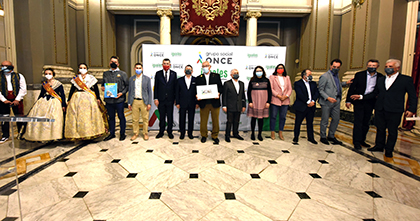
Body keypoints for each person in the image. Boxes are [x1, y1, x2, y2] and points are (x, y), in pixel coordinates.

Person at [368, 59, 417, 157]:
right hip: (380, 108)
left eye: (390, 66)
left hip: (395, 109)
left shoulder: (405, 80)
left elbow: (412, 95)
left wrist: (411, 109)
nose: (387, 68)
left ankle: (389, 149)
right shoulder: (381, 79)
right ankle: (379, 146)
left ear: (397, 68)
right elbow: (375, 93)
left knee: (392, 130)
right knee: (380, 129)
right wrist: (361, 97)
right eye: (386, 66)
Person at [345, 59, 383, 150]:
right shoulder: (359, 75)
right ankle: (356, 142)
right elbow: (352, 88)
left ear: (377, 67)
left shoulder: (381, 77)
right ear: (367, 66)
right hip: (358, 102)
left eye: (374, 66)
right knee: (358, 122)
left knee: (366, 122)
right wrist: (348, 100)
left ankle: (362, 140)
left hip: (370, 102)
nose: (372, 67)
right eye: (370, 65)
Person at [65, 63, 106, 140]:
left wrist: (98, 98)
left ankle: (91, 132)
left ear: (87, 69)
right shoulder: (76, 79)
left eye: (84, 68)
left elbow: (96, 89)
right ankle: (80, 133)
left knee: (89, 115)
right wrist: (68, 99)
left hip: (89, 97)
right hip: (78, 97)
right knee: (78, 116)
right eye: (81, 68)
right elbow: (72, 89)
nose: (82, 69)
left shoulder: (91, 78)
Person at [24, 68, 66, 142]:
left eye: (49, 74)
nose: (48, 75)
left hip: (54, 102)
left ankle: (54, 136)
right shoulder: (44, 84)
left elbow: (62, 95)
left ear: (53, 74)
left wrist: (63, 105)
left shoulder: (58, 84)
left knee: (54, 118)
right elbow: (41, 94)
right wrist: (36, 103)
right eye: (46, 74)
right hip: (43, 102)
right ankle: (41, 135)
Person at [195, 61, 223, 144]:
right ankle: (204, 135)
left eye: (206, 65)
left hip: (214, 102)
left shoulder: (216, 76)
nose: (205, 67)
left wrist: (218, 93)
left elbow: (220, 87)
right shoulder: (198, 78)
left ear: (210, 66)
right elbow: (196, 90)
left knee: (215, 120)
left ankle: (215, 136)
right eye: (203, 66)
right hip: (203, 103)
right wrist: (197, 96)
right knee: (203, 121)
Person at [102, 56, 129, 141]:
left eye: (115, 62)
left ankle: (122, 133)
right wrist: (102, 87)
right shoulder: (105, 74)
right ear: (109, 63)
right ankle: (112, 133)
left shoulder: (123, 74)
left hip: (119, 100)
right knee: (111, 117)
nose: (113, 63)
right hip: (109, 100)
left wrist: (122, 93)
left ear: (118, 64)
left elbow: (127, 86)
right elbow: (103, 84)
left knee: (121, 116)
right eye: (112, 61)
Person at [318, 59, 344, 145]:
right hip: (326, 102)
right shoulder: (325, 76)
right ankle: (323, 136)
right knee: (325, 120)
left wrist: (345, 83)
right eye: (334, 67)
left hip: (336, 101)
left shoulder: (337, 76)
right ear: (330, 66)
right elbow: (320, 90)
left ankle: (331, 136)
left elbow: (336, 85)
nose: (336, 68)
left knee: (336, 119)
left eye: (338, 67)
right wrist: (328, 98)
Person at [0, 60, 27, 143]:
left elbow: (23, 88)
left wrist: (17, 99)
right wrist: (4, 100)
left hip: (16, 98)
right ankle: (5, 135)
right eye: (2, 66)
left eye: (6, 66)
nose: (4, 67)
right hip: (3, 99)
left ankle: (21, 133)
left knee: (19, 116)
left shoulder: (19, 76)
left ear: (12, 66)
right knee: (4, 118)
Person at [293, 69, 319, 145]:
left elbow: (316, 93)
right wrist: (307, 102)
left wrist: (313, 101)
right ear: (304, 76)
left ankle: (311, 138)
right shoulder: (298, 83)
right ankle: (296, 137)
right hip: (302, 106)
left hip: (311, 106)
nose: (310, 76)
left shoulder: (313, 83)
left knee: (310, 122)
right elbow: (300, 94)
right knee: (298, 122)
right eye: (309, 75)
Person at [128, 63, 152, 141]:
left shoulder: (147, 79)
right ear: (134, 69)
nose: (138, 69)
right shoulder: (131, 79)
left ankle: (145, 133)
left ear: (142, 69)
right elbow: (130, 91)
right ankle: (136, 133)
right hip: (134, 101)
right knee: (135, 119)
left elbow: (149, 91)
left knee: (145, 118)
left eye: (140, 68)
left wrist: (149, 103)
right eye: (137, 68)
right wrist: (129, 103)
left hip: (144, 101)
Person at [154, 58, 177, 139]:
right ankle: (161, 131)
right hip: (161, 99)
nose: (166, 65)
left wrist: (175, 99)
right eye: (164, 63)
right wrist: (155, 98)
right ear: (162, 64)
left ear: (170, 65)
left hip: (170, 99)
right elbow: (156, 87)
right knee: (162, 116)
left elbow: (175, 88)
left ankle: (170, 132)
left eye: (167, 63)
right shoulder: (158, 74)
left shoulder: (174, 74)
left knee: (170, 116)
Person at [247, 66, 271, 141]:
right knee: (253, 118)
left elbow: (270, 92)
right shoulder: (252, 80)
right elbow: (248, 92)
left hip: (263, 102)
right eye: (257, 71)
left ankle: (260, 134)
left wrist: (268, 102)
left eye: (260, 70)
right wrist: (250, 101)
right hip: (254, 102)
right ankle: (252, 133)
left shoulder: (266, 80)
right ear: (254, 72)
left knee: (261, 119)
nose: (259, 72)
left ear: (263, 71)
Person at [222, 69, 246, 142]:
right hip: (230, 105)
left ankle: (236, 133)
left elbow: (243, 96)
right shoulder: (227, 83)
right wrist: (224, 105)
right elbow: (224, 96)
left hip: (238, 106)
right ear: (231, 75)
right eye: (234, 73)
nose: (236, 74)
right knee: (229, 121)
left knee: (237, 121)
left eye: (237, 73)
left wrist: (244, 105)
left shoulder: (241, 83)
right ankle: (227, 135)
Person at [269, 64, 292, 140]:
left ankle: (280, 132)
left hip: (285, 101)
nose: (280, 69)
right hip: (275, 100)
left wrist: (285, 96)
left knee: (283, 117)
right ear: (276, 69)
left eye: (281, 68)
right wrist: (278, 96)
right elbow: (271, 89)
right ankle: (272, 132)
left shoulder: (287, 78)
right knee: (273, 116)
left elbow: (290, 89)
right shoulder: (272, 77)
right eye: (279, 68)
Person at [176, 65, 198, 140]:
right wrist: (177, 103)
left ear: (192, 71)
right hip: (182, 103)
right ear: (184, 71)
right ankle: (182, 133)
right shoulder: (179, 80)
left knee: (191, 119)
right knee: (182, 118)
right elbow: (177, 92)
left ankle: (190, 133)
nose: (188, 71)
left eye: (190, 69)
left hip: (192, 103)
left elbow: (197, 92)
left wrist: (197, 103)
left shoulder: (196, 80)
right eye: (187, 69)